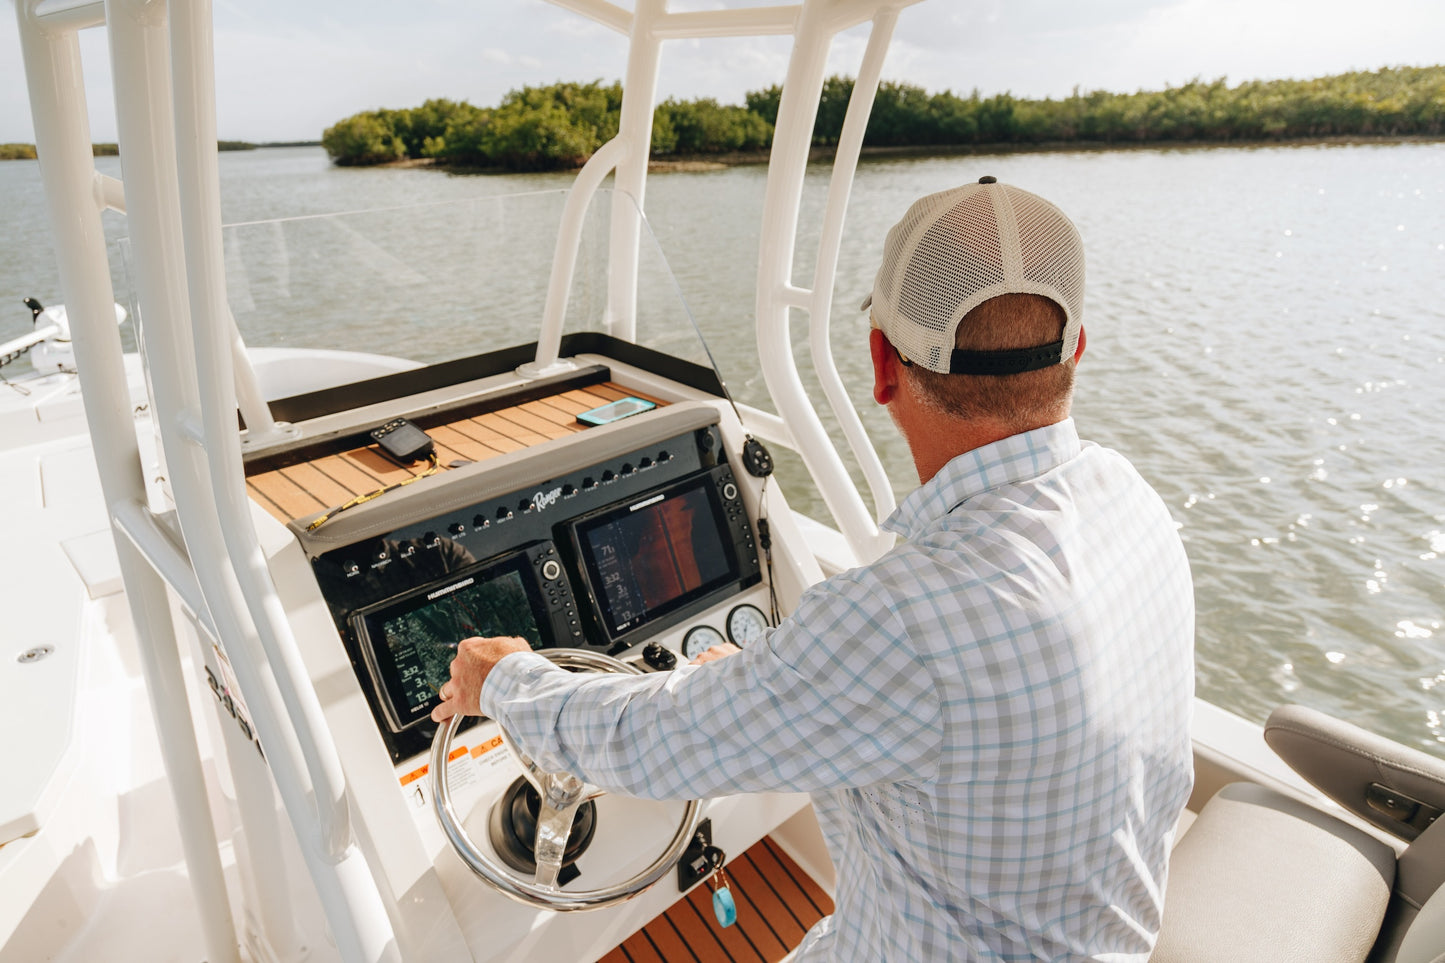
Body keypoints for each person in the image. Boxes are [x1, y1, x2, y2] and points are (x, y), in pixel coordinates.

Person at [432, 177, 1195, 961]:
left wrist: (502, 680)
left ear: (880, 365)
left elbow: (644, 743)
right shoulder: (1130, 500)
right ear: (1075, 347)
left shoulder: (903, 618)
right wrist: (770, 681)